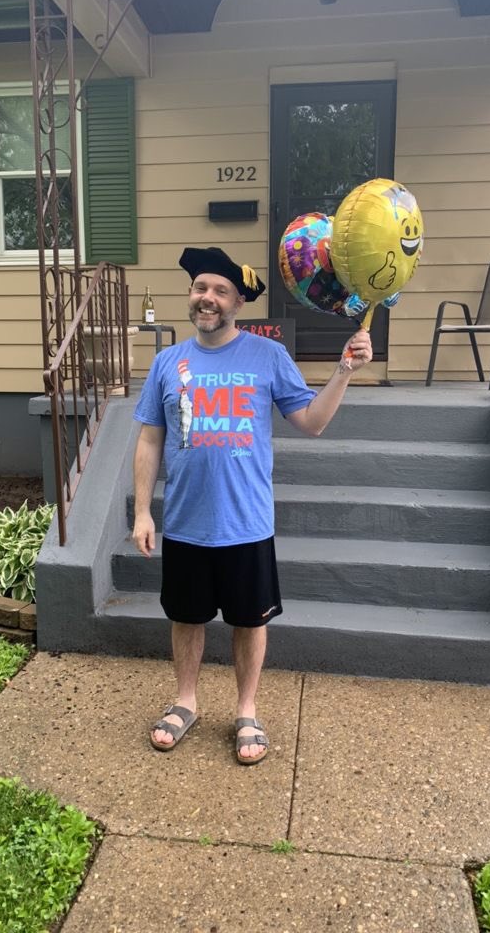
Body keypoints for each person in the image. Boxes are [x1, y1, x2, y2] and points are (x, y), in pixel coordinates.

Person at [132, 246, 372, 765]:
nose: (208, 298)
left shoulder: (267, 357)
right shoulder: (167, 363)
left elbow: (311, 422)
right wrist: (143, 512)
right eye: (201, 288)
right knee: (187, 617)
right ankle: (185, 700)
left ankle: (246, 710)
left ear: (238, 301)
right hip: (187, 522)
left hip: (247, 521)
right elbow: (150, 439)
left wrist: (344, 372)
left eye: (220, 290)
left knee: (250, 620)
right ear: (190, 296)